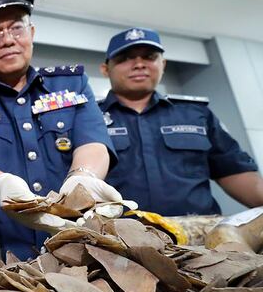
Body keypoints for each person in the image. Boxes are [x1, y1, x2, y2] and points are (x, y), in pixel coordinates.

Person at [0, 0, 121, 260]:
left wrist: (82, 178)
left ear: (31, 33)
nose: (7, 40)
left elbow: (93, 140)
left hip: (77, 251)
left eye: (17, 28)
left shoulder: (71, 86)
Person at [99, 27, 263, 216]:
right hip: (113, 240)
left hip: (198, 239)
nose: (139, 64)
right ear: (105, 69)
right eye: (125, 58)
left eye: (149, 57)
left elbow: (237, 172)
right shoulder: (88, 118)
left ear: (163, 64)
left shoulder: (196, 114)